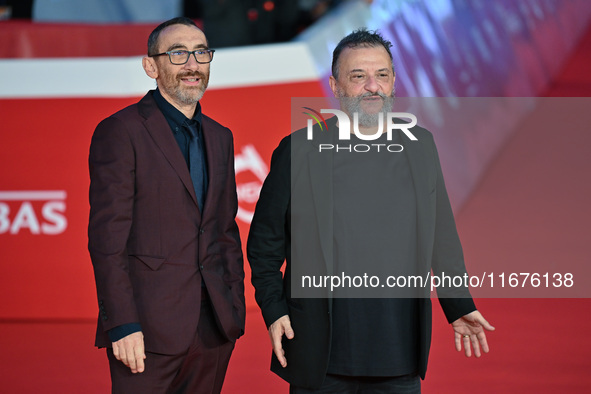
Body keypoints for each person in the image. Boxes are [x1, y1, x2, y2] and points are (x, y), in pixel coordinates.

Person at [247, 28, 494, 393]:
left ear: (394, 81)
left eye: (381, 75)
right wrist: (274, 309)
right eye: (358, 76)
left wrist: (457, 302)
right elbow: (264, 246)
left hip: (398, 358)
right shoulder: (298, 151)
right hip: (321, 356)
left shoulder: (419, 146)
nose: (372, 86)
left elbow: (441, 235)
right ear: (335, 84)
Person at [88, 17, 245, 393]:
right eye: (178, 54)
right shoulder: (121, 130)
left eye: (201, 53)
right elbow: (107, 240)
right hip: (145, 332)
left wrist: (233, 306)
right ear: (151, 66)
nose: (192, 64)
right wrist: (122, 323)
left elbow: (223, 229)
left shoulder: (220, 137)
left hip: (214, 329)